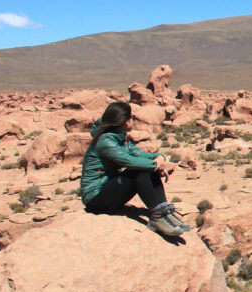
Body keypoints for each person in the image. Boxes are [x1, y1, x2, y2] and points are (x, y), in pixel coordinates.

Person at [80, 101, 190, 237]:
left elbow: (141, 155)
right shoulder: (105, 141)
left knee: (145, 167)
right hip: (96, 198)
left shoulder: (120, 137)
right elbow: (129, 161)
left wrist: (159, 158)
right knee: (140, 169)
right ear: (126, 122)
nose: (133, 119)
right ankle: (157, 218)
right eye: (131, 117)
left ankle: (163, 211)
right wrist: (155, 165)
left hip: (109, 190)